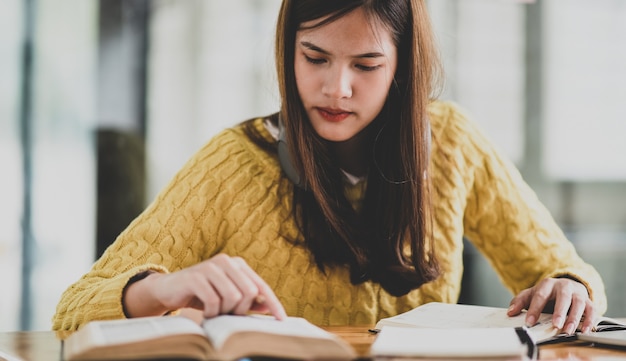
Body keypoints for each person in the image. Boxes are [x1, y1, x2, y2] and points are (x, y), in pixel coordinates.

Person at [53, 0, 606, 336]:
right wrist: (164, 289)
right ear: (287, 52)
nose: (335, 89)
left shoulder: (454, 140)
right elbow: (75, 308)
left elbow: (565, 272)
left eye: (366, 65)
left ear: (402, 69)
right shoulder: (233, 162)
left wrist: (568, 287)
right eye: (314, 58)